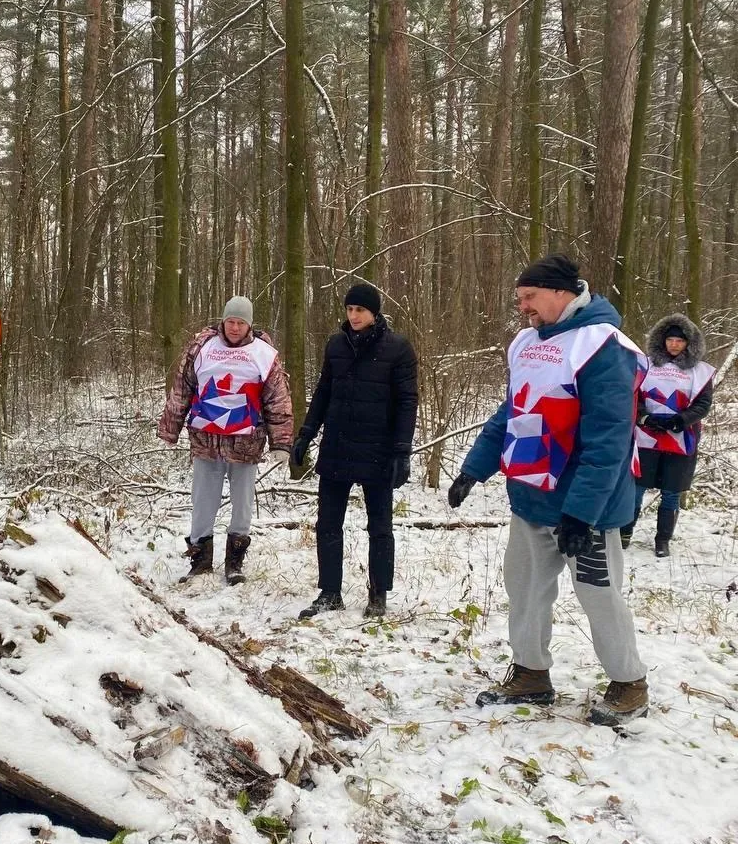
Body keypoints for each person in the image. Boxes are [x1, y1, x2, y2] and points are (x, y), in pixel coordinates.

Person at [447, 254, 649, 725]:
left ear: (561, 292)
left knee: (599, 593)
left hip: (586, 507)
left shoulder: (604, 347)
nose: (523, 308)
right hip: (530, 494)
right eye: (519, 300)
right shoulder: (525, 343)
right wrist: (474, 469)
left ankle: (629, 683)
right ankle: (531, 674)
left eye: (529, 297)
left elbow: (608, 440)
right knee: (525, 588)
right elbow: (511, 413)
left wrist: (581, 513)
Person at [293, 283, 418, 619]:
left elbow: (408, 402)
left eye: (360, 310)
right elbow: (323, 392)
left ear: (374, 312)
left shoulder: (398, 348)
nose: (353, 316)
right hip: (337, 446)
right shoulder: (336, 344)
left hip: (378, 450)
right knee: (328, 523)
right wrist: (306, 433)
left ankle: (378, 594)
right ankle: (330, 591)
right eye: (349, 309)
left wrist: (402, 451)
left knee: (380, 526)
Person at [158, 296, 294, 585]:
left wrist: (281, 442)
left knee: (242, 503)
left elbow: (277, 400)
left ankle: (235, 562)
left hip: (246, 441)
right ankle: (200, 559)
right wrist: (171, 428)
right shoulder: (202, 347)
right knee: (203, 500)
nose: (234, 327)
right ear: (223, 321)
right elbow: (183, 388)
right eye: (230, 321)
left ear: (249, 325)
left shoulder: (264, 353)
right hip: (207, 439)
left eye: (240, 323)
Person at [626, 313, 714, 556]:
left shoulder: (700, 372)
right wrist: (644, 417)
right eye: (670, 340)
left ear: (689, 343)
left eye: (680, 340)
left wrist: (681, 420)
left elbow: (703, 404)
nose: (674, 344)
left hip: (681, 439)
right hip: (647, 436)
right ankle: (625, 533)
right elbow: (634, 396)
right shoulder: (646, 365)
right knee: (636, 489)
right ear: (662, 341)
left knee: (671, 492)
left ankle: (662, 540)